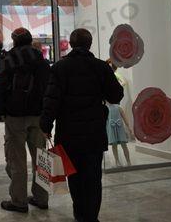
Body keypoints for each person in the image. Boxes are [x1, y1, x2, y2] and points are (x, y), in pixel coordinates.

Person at [40, 28, 124, 222]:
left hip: (68, 133)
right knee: (93, 178)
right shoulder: (101, 67)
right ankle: (91, 217)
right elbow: (116, 95)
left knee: (75, 178)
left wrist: (46, 124)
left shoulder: (60, 68)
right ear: (90, 44)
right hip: (94, 133)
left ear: (71, 44)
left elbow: (51, 100)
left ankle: (80, 215)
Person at [0, 28, 50, 213]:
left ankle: (19, 201)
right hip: (38, 115)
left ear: (14, 41)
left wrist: (1, 111)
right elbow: (48, 88)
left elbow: (0, 86)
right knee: (40, 159)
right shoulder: (41, 61)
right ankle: (41, 198)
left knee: (17, 160)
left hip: (15, 116)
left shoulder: (8, 60)